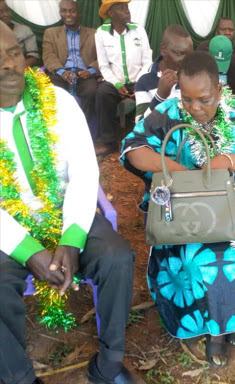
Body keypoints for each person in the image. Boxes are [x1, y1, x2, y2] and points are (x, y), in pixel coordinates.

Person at [120, 51, 235, 367]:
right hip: (186, 203)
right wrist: (181, 173)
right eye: (188, 99)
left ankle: (234, 322)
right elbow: (134, 151)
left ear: (221, 90)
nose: (195, 109)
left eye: (205, 100)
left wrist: (226, 161)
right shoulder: (168, 112)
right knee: (198, 257)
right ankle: (217, 332)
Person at [0, 20, 141, 384]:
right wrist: (29, 250)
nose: (8, 65)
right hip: (8, 229)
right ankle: (19, 377)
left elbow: (84, 171)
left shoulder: (59, 101)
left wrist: (72, 237)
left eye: (14, 53)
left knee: (118, 259)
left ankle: (108, 365)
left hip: (68, 210)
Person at [95, 0, 152, 156]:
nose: (127, 10)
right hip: (115, 81)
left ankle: (146, 141)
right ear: (110, 13)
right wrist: (117, 84)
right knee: (102, 94)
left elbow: (147, 62)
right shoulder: (101, 33)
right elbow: (104, 66)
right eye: (121, 8)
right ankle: (108, 142)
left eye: (127, 7)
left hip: (139, 79)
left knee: (150, 92)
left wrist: (140, 83)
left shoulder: (139, 31)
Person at [42, 0, 98, 122]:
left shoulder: (94, 33)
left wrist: (91, 70)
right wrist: (61, 71)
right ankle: (59, 127)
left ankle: (83, 125)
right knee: (52, 91)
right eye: (64, 11)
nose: (68, 14)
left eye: (72, 11)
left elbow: (102, 57)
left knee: (92, 90)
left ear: (79, 13)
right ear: (60, 13)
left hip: (84, 73)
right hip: (60, 72)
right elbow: (48, 55)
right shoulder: (51, 33)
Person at [135, 24, 192, 122]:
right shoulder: (145, 78)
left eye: (189, 55)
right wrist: (159, 97)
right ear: (163, 49)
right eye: (179, 53)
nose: (186, 61)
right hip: (159, 136)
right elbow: (140, 126)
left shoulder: (194, 75)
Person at [0, 0, 39, 67]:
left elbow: (33, 58)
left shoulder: (24, 30)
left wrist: (16, 69)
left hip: (22, 69)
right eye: (0, 11)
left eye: (7, 10)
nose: (5, 14)